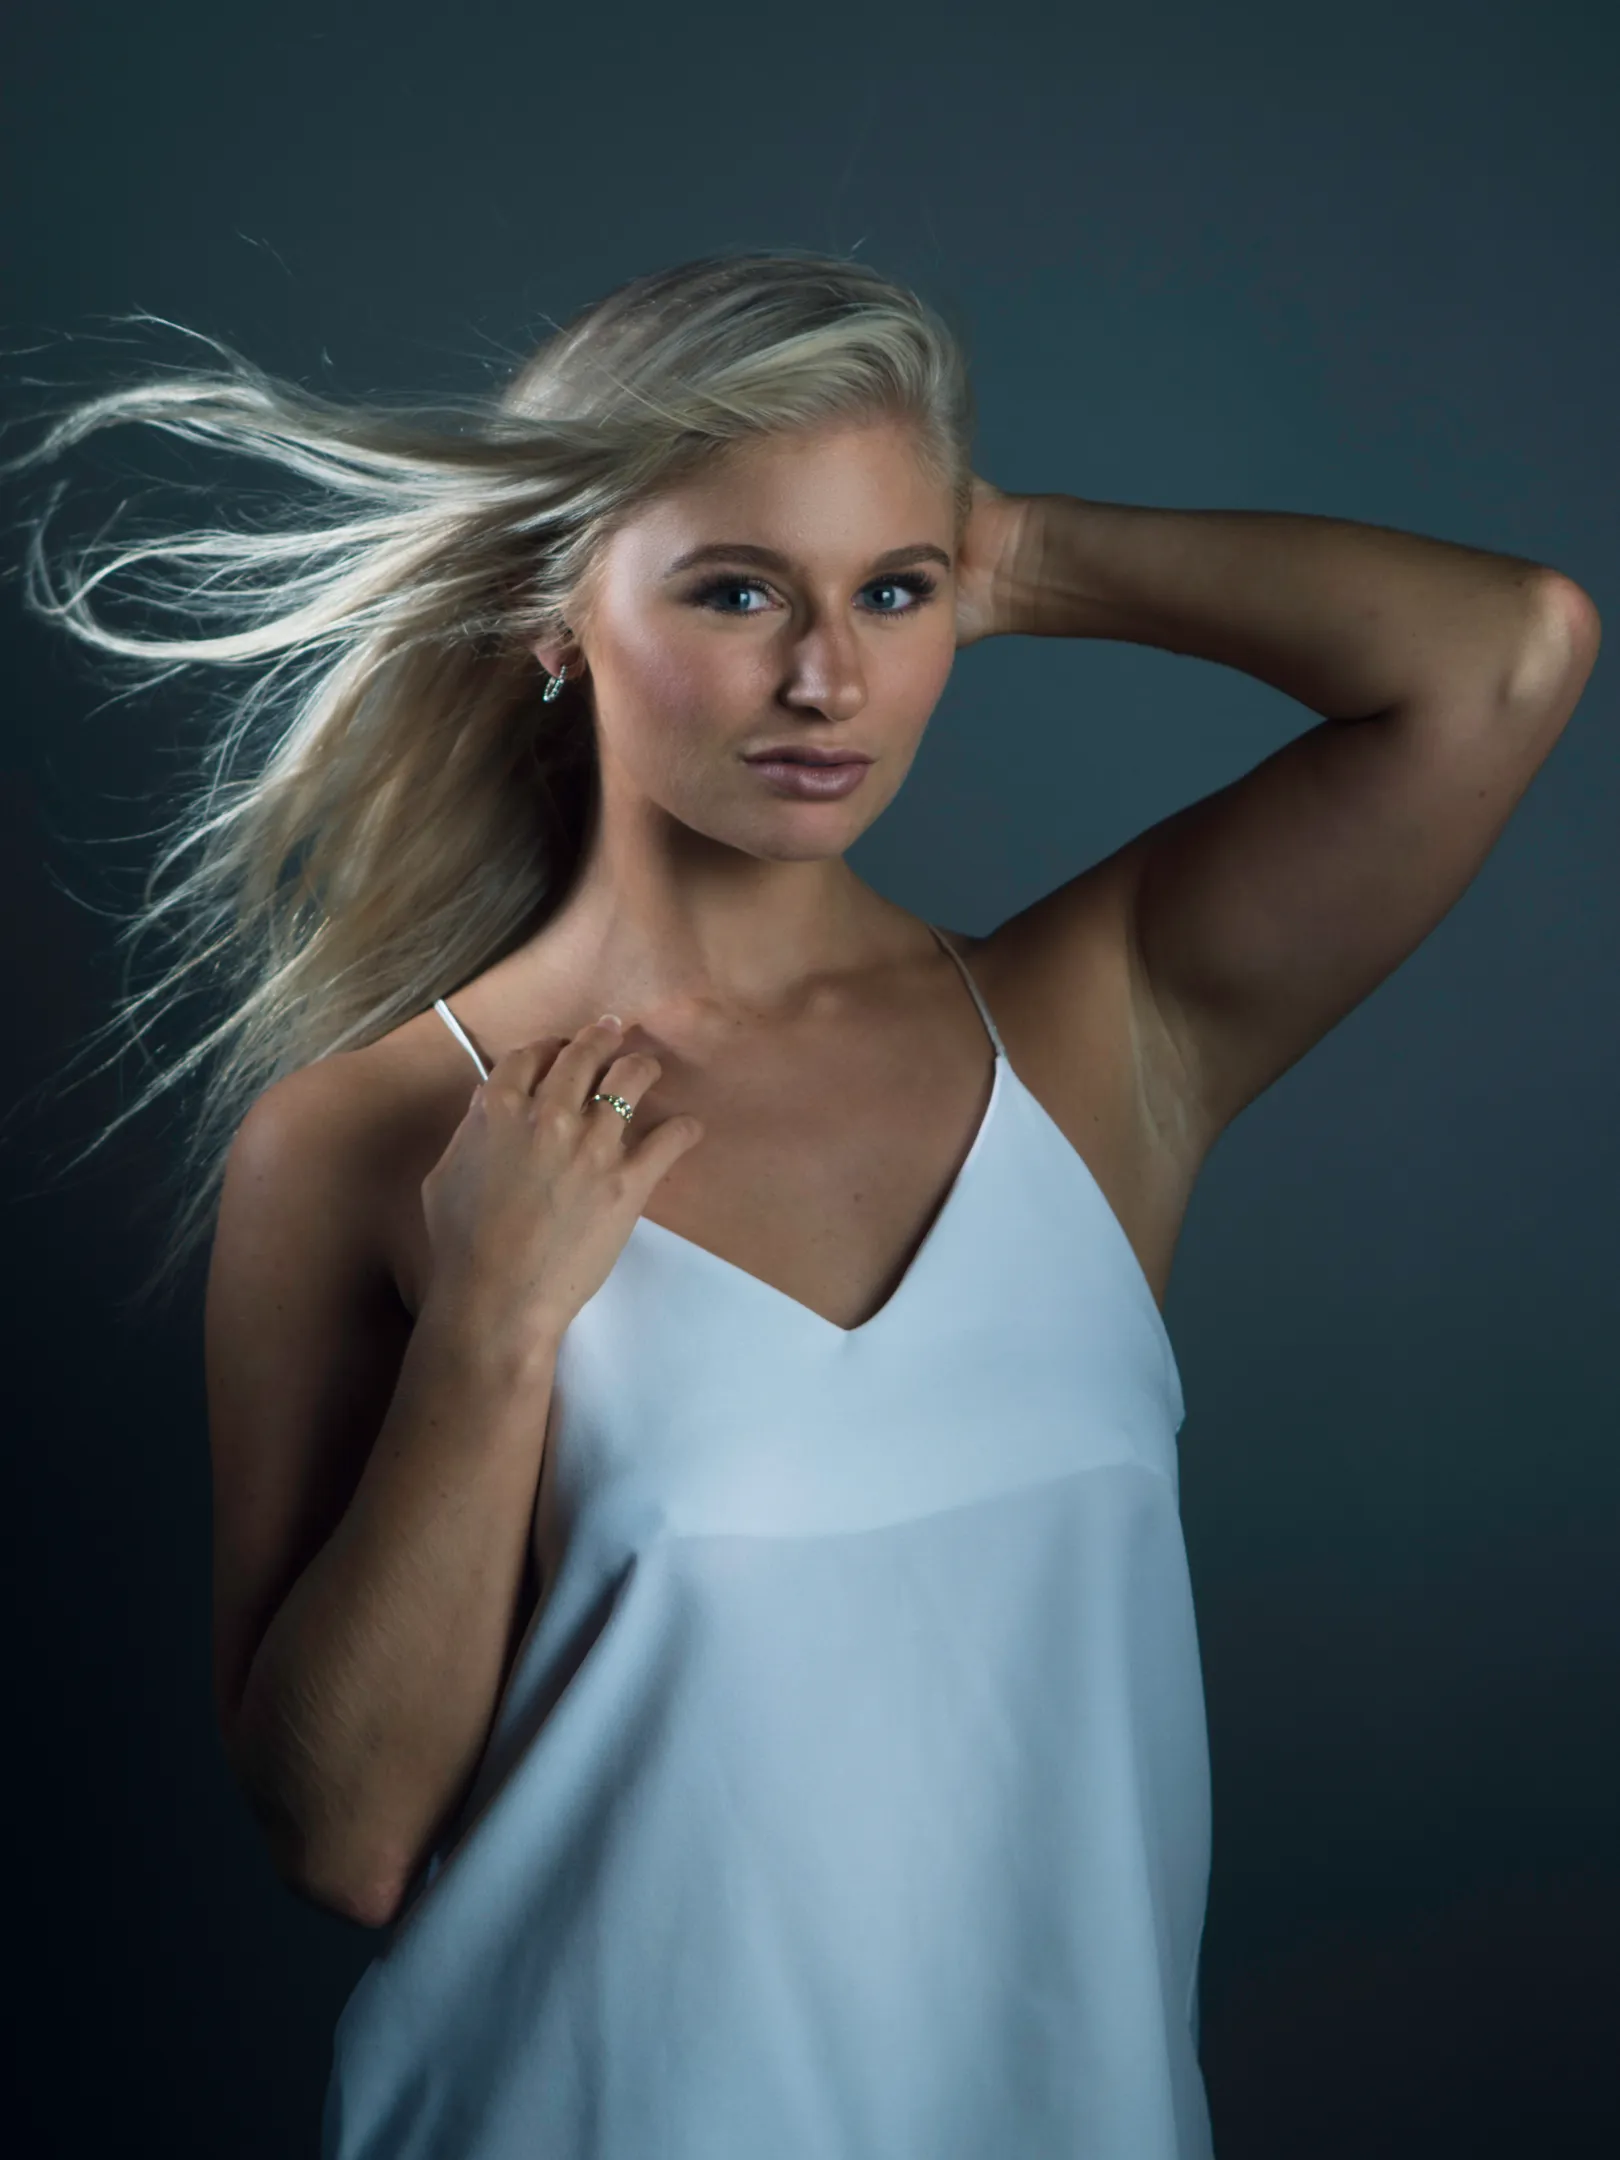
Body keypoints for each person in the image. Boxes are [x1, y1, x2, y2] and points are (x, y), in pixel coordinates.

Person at [12, 250, 1598, 2158]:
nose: (829, 676)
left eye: (894, 595)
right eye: (740, 588)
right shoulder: (367, 1138)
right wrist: (497, 1327)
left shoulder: (1095, 1033)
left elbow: (1507, 649)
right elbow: (344, 1840)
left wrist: (1010, 547)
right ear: (554, 607)